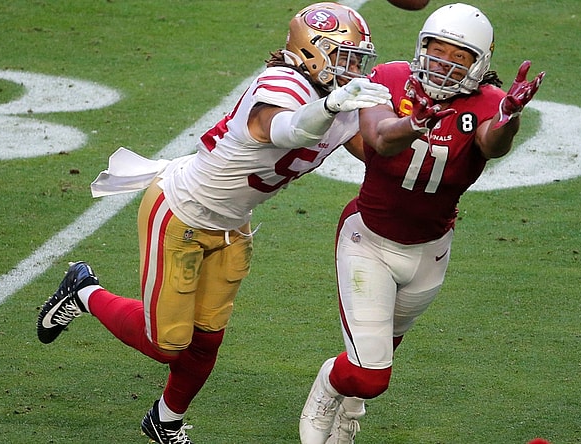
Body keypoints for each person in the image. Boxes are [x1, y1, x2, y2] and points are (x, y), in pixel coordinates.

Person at [35, 3, 391, 444]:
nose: (352, 69)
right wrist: (333, 104)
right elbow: (283, 130)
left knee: (205, 341)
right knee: (166, 343)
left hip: (234, 226)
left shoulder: (342, 105)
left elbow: (377, 150)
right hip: (181, 212)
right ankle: (84, 290)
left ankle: (163, 421)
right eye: (343, 56)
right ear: (309, 51)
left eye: (358, 59)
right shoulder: (281, 85)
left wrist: (425, 125)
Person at [298, 3, 545, 443]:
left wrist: (508, 117)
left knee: (379, 352)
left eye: (460, 55)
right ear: (421, 47)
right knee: (371, 374)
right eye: (438, 49)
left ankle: (350, 398)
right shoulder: (392, 77)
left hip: (430, 252)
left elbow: (491, 145)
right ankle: (329, 388)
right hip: (369, 239)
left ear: (479, 63)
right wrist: (415, 122)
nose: (446, 62)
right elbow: (378, 140)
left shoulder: (487, 101)